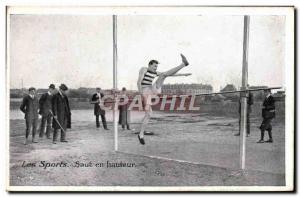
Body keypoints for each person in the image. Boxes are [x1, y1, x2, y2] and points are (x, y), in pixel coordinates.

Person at [137, 54, 191, 145]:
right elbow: (139, 82)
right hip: (145, 92)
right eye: (154, 66)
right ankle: (141, 134)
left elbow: (169, 74)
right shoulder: (144, 69)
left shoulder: (155, 73)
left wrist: (183, 74)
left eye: (156, 67)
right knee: (149, 114)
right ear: (149, 65)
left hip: (152, 90)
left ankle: (183, 64)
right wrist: (141, 94)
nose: (155, 68)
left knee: (163, 75)